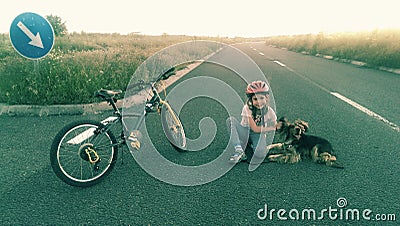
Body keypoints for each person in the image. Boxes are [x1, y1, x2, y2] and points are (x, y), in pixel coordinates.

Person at [227, 80, 277, 163]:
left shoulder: (270, 111)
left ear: (267, 98)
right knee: (231, 120)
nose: (259, 102)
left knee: (260, 155)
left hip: (257, 135)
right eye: (255, 99)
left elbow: (276, 125)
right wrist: (271, 128)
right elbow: (255, 128)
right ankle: (239, 151)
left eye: (261, 98)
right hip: (245, 131)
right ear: (251, 100)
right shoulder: (247, 108)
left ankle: (250, 144)